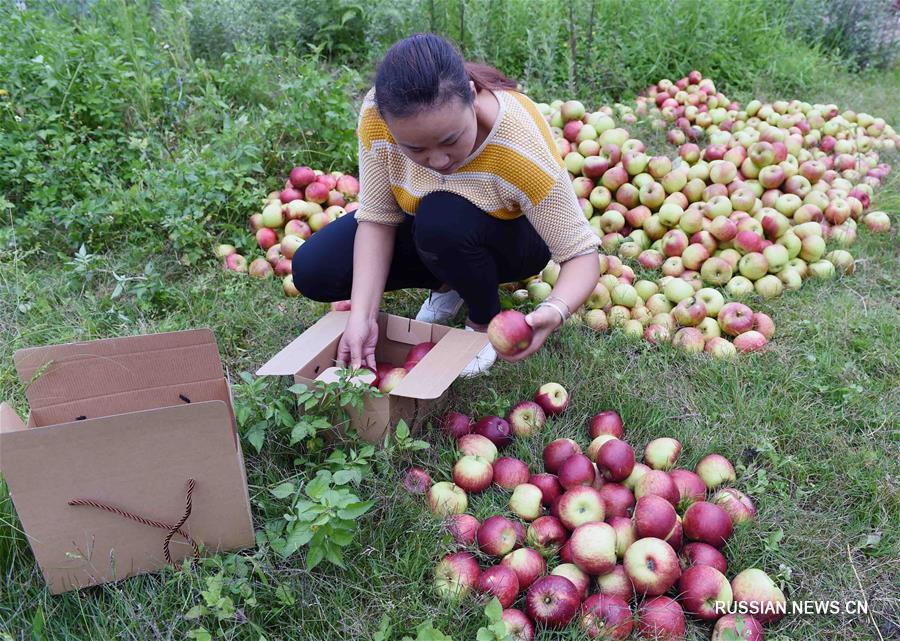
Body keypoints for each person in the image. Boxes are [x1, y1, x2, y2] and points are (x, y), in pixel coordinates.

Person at [292, 33, 600, 376]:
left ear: (471, 95)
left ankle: (482, 320)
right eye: (415, 149)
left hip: (516, 239)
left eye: (450, 140)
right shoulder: (377, 117)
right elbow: (378, 219)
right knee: (314, 269)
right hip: (434, 224)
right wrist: (363, 318)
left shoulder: (519, 145)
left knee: (442, 221)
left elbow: (581, 256)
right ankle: (451, 280)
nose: (437, 160)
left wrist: (555, 309)